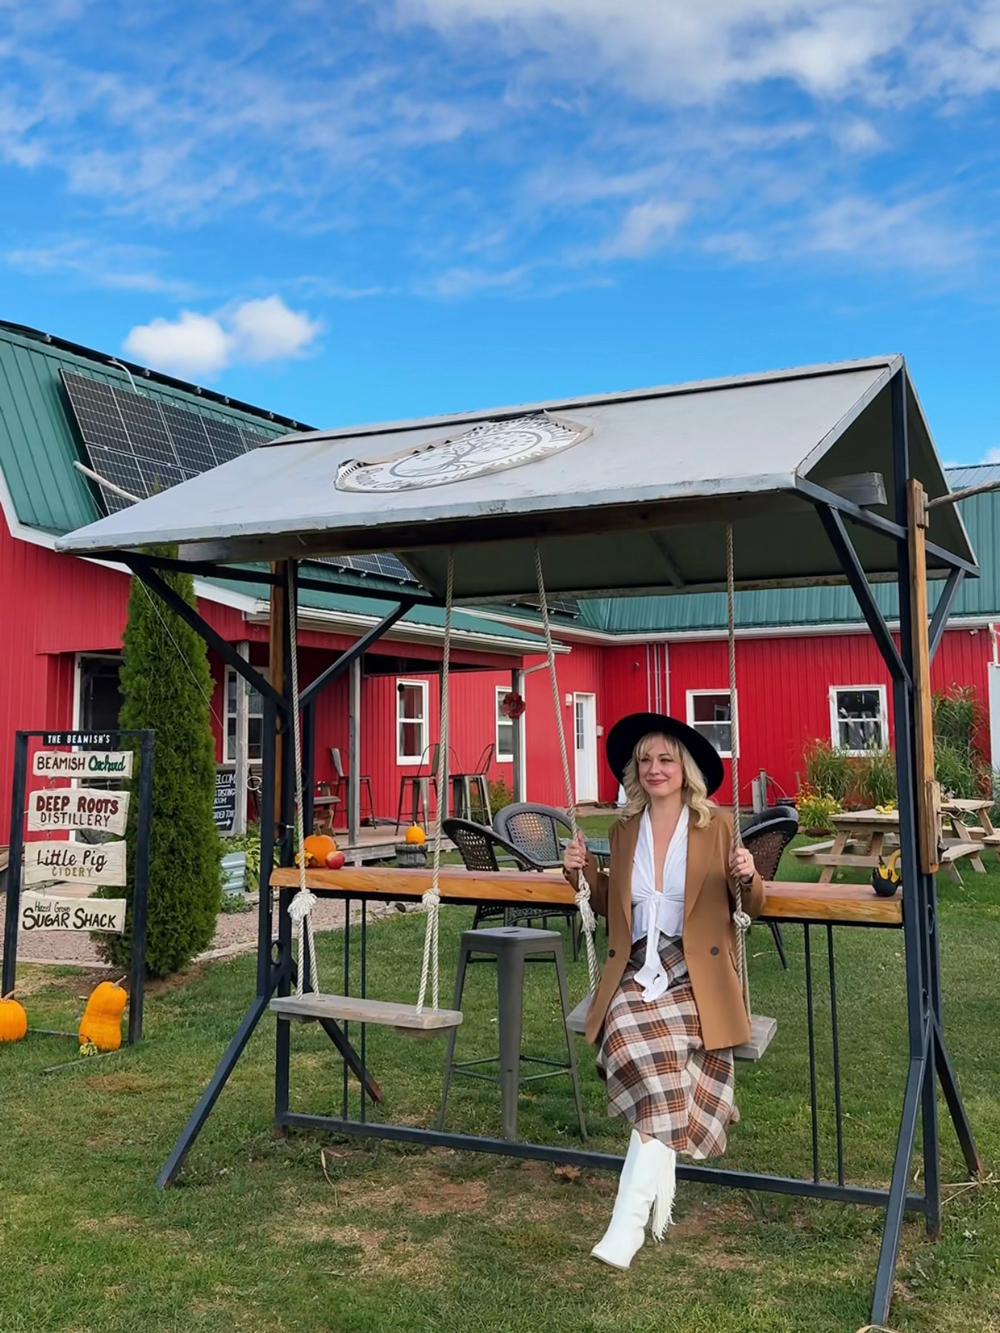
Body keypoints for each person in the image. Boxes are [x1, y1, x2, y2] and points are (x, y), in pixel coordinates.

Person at [562, 711, 765, 1270]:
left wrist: (749, 875)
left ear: (686, 770)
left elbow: (752, 905)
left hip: (694, 969)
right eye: (645, 760)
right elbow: (610, 902)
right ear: (636, 771)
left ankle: (625, 1225)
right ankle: (651, 1203)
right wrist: (579, 874)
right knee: (630, 1045)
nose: (655, 769)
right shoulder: (624, 829)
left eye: (666, 759)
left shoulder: (717, 825)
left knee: (662, 1063)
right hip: (637, 966)